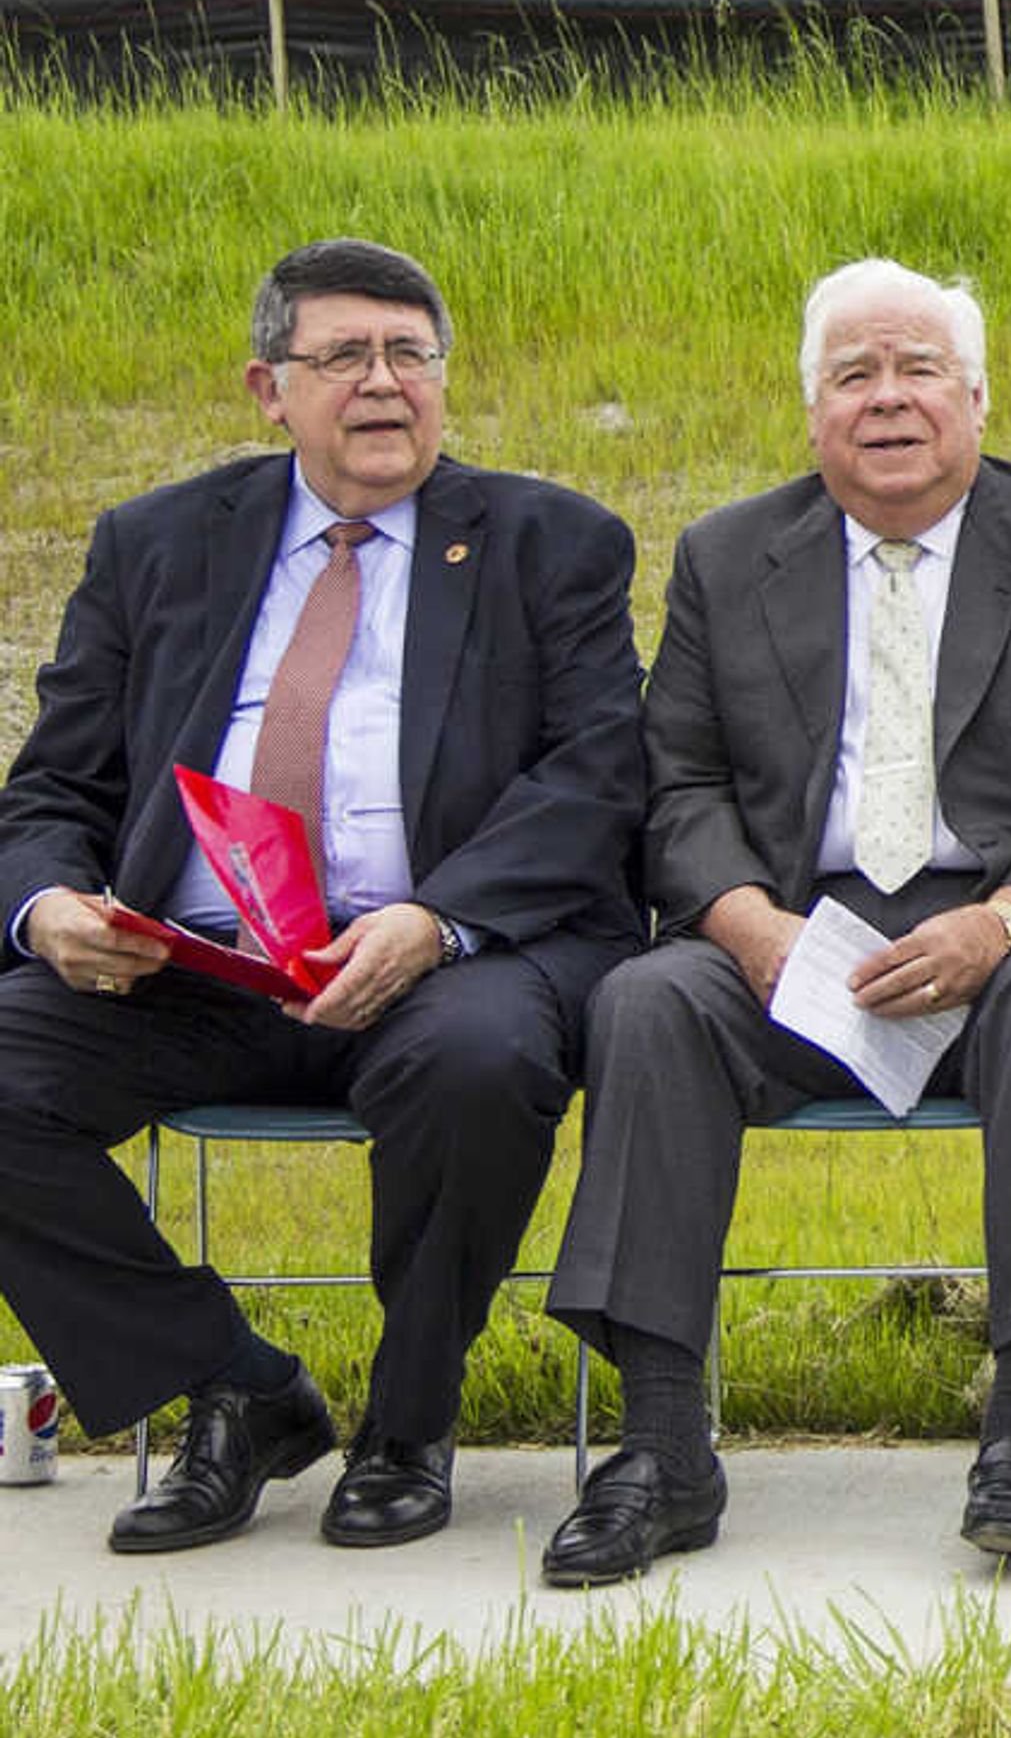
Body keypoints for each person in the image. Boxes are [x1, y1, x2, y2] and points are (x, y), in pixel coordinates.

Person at [539, 259, 1011, 1585]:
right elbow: (675, 779)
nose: (886, 400)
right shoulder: (728, 558)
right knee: (647, 1001)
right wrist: (745, 924)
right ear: (812, 408)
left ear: (977, 393)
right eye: (853, 376)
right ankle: (665, 1446)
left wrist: (1006, 919)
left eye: (916, 371)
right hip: (800, 938)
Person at [0, 238, 642, 1552]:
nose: (384, 383)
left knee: (478, 1061)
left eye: (411, 353)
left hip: (443, 959)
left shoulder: (548, 542)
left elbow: (596, 780)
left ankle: (411, 1423)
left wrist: (435, 920)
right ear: (267, 387)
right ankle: (232, 1386)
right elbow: (52, 785)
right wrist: (51, 908)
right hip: (195, 966)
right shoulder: (157, 544)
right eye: (343, 355)